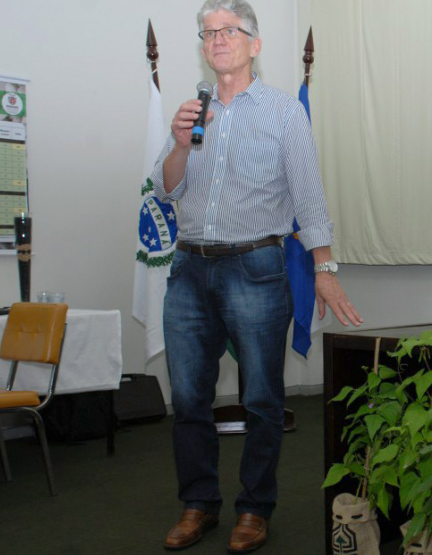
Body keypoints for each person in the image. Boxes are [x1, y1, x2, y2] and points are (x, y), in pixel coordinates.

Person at [152, 1, 362, 552]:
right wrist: (178, 144)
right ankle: (198, 504)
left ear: (254, 44)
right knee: (190, 399)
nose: (217, 39)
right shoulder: (190, 112)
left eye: (229, 30)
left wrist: (325, 269)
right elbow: (166, 189)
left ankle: (254, 508)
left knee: (264, 399)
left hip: (257, 267)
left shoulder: (283, 111)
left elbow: (308, 195)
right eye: (208, 32)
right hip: (189, 269)